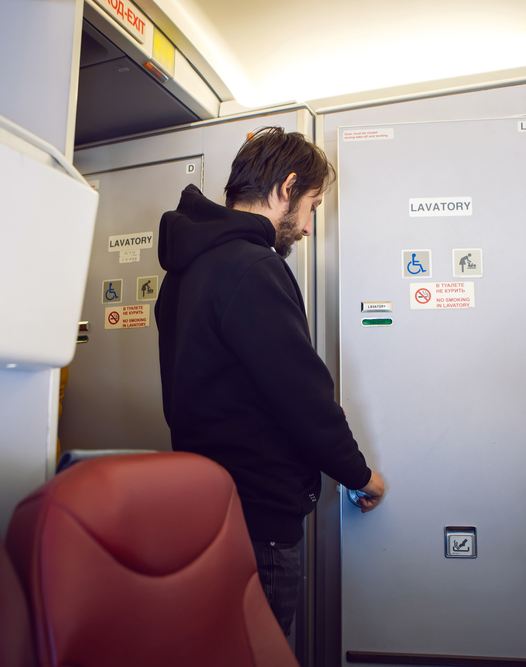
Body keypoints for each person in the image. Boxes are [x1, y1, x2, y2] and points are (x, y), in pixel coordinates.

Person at [154, 127, 385, 634]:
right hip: (261, 520)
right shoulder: (253, 266)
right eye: (312, 205)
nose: (307, 227)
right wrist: (359, 475)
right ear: (286, 187)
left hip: (208, 504)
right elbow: (302, 396)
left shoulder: (185, 270)